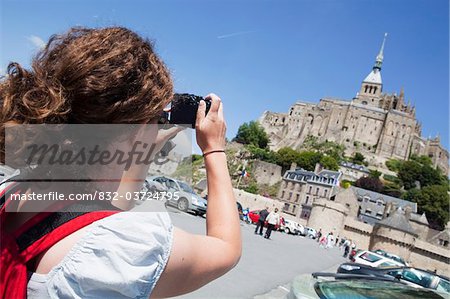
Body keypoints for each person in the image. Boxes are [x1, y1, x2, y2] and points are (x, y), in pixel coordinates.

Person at [0, 27, 241, 298]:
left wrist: (141, 151)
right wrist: (214, 149)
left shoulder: (11, 192)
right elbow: (225, 248)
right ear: (138, 127)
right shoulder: (115, 250)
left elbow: (99, 210)